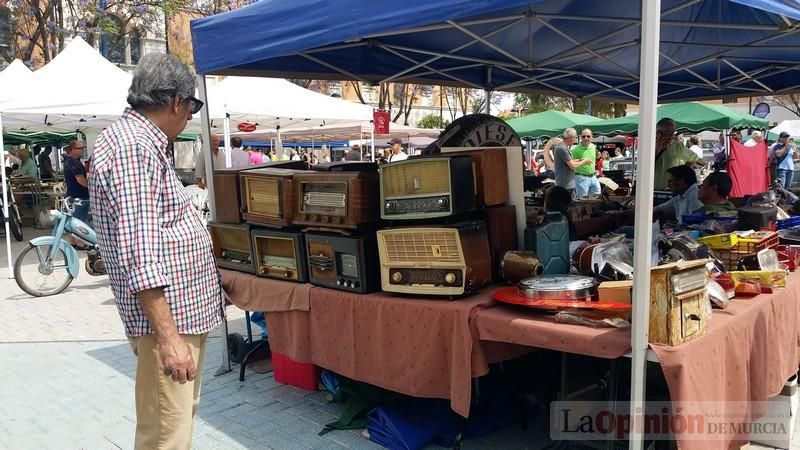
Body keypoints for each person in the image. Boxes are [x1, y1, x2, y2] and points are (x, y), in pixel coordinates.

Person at [89, 53, 223, 450]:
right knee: (167, 435)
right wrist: (169, 338)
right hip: (170, 321)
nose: (190, 116)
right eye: (192, 106)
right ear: (177, 102)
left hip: (177, 316)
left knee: (172, 425)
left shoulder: (140, 143)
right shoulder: (134, 148)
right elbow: (141, 253)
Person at [653, 118, 703, 190]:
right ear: (658, 132)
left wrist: (684, 170)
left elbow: (699, 161)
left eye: (673, 132)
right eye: (669, 132)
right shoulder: (649, 145)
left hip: (669, 190)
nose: (672, 135)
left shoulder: (677, 146)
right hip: (649, 189)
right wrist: (657, 148)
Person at [553, 128, 593, 197]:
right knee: (570, 206)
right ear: (571, 138)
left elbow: (567, 162)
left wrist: (580, 160)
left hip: (566, 185)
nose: (575, 140)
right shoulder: (562, 149)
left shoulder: (562, 147)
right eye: (575, 137)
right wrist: (585, 161)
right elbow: (572, 166)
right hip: (566, 186)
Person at [63, 140, 91, 223]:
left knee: (77, 224)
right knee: (80, 225)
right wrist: (92, 188)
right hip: (80, 198)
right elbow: (81, 180)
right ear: (72, 149)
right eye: (80, 148)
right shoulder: (74, 162)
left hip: (74, 196)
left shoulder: (69, 160)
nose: (83, 150)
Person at [572, 129, 600, 198]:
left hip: (593, 177)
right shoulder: (575, 149)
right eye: (583, 136)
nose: (586, 138)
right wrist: (581, 160)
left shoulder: (593, 146)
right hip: (581, 178)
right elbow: (570, 162)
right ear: (581, 137)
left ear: (591, 137)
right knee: (582, 201)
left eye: (588, 136)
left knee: (596, 198)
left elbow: (598, 155)